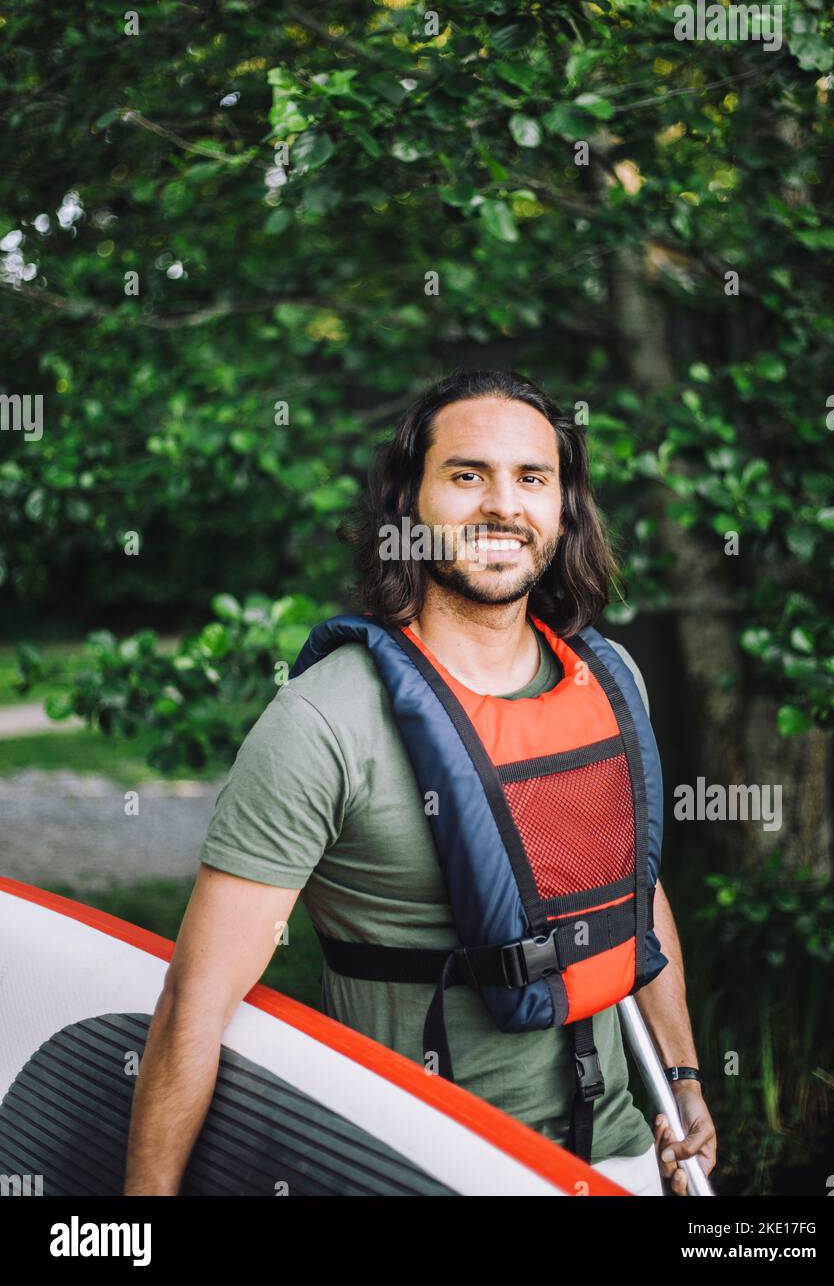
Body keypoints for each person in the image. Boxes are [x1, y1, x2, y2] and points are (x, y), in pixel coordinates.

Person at [124, 369, 716, 1197]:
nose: (503, 506)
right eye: (467, 475)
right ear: (409, 505)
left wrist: (683, 1075)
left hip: (616, 1155)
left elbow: (633, 898)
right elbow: (194, 1005)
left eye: (532, 480)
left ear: (562, 511)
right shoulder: (324, 722)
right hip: (420, 1164)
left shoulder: (609, 682)